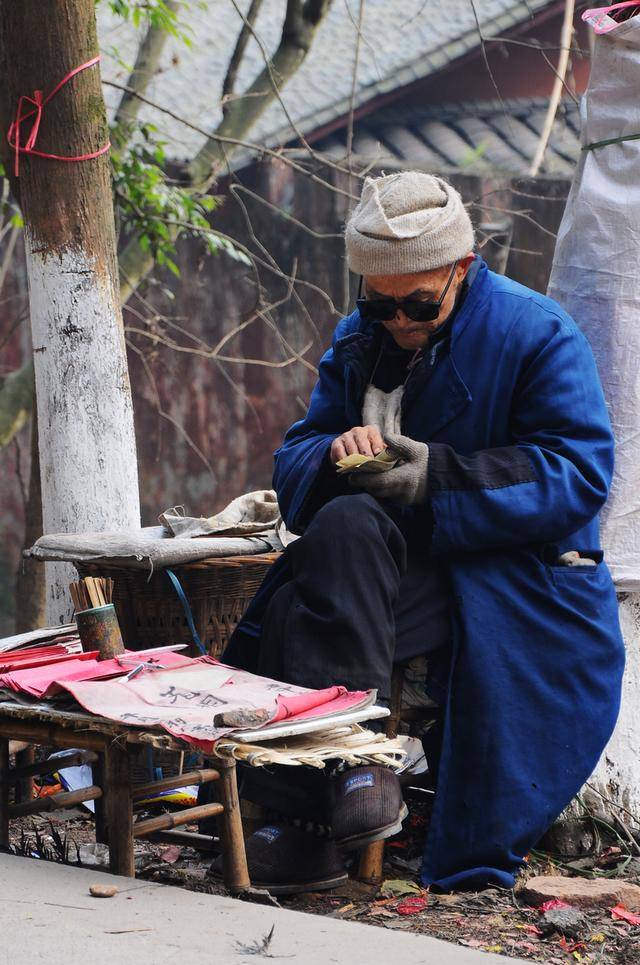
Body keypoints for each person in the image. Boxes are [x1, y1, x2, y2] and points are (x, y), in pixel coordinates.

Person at [221, 171, 625, 894]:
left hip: (503, 571)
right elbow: (296, 453)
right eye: (381, 305)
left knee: (301, 601)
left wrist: (436, 475)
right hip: (378, 563)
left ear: (463, 270)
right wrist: (336, 455)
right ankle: (357, 773)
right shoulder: (360, 337)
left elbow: (578, 473)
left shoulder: (536, 332)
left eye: (418, 304)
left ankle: (311, 811)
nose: (399, 322)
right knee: (337, 532)